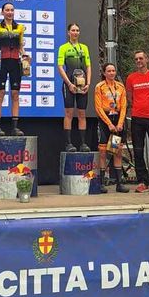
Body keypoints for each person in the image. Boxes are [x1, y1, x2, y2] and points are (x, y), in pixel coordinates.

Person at [125, 50, 149, 193]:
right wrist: (138, 107)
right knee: (138, 151)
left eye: (141, 58)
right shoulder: (131, 78)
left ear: (147, 60)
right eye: (136, 59)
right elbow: (129, 97)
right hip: (137, 118)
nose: (138, 61)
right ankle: (142, 181)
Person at [0, 2, 26, 136]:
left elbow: (21, 47)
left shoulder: (20, 27)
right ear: (2, 12)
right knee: (0, 93)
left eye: (12, 10)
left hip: (15, 63)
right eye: (7, 10)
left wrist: (25, 57)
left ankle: (15, 127)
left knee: (15, 94)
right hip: (2, 63)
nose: (10, 12)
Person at [94, 63, 130, 193]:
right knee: (103, 152)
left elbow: (124, 106)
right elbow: (98, 107)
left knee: (116, 151)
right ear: (104, 73)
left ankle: (119, 184)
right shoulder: (100, 87)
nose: (111, 73)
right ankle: (101, 183)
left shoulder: (120, 86)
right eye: (109, 71)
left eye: (113, 70)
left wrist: (120, 123)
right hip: (105, 122)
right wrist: (109, 123)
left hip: (117, 121)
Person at [57, 23, 92, 152]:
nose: (75, 32)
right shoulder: (63, 48)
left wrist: (88, 83)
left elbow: (88, 66)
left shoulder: (84, 48)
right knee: (69, 113)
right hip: (69, 85)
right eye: (73, 30)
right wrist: (69, 83)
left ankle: (83, 144)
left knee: (82, 113)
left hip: (82, 85)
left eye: (77, 30)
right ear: (68, 32)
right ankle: (68, 144)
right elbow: (60, 67)